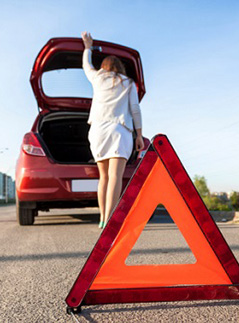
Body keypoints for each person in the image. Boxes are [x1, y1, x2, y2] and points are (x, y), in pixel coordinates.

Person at [81, 31, 144, 229]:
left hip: (98, 131)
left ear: (104, 67)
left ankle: (102, 218)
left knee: (104, 177)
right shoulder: (128, 83)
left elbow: (86, 66)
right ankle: (110, 219)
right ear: (120, 68)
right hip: (119, 131)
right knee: (116, 176)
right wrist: (139, 135)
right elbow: (135, 109)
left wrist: (87, 48)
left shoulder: (98, 78)